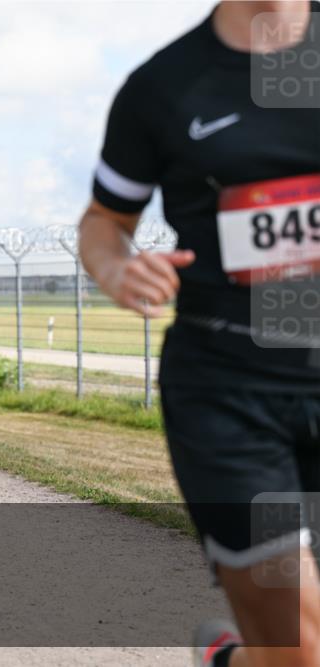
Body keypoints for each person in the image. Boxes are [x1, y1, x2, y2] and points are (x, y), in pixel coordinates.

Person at [78, 3, 319, 666]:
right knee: (304, 649)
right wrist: (118, 267)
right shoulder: (164, 86)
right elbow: (103, 220)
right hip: (230, 395)